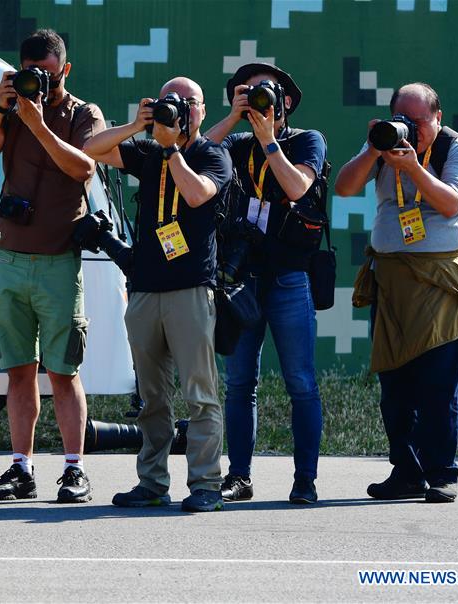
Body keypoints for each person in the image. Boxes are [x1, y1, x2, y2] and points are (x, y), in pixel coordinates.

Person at [84, 77, 233, 512]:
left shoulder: (212, 154)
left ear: (201, 111)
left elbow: (197, 193)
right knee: (151, 397)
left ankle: (206, 484)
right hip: (146, 289)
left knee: (200, 394)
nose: (180, 110)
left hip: (190, 289)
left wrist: (171, 149)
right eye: (173, 102)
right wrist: (136, 125)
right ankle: (152, 482)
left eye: (188, 103)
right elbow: (93, 149)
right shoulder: (147, 151)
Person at [0, 29, 106, 504]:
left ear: (64, 70)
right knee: (19, 372)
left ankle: (74, 469)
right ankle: (20, 467)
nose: (42, 84)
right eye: (33, 75)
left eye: (49, 75)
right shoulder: (12, 110)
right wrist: (2, 109)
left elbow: (84, 168)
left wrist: (39, 121)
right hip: (9, 258)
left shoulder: (83, 114)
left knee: (64, 372)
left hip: (57, 262)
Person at [334, 82, 458, 503]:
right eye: (402, 118)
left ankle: (441, 472)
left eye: (417, 121)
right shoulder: (384, 148)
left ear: (437, 117)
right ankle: (406, 471)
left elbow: (452, 204)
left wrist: (412, 167)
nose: (410, 129)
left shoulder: (457, 151)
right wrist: (372, 148)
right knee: (395, 387)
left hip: (440, 279)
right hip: (391, 279)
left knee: (438, 385)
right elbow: (344, 188)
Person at [204, 62, 326, 504]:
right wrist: (235, 118)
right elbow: (198, 149)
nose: (256, 101)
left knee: (300, 381)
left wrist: (268, 140)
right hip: (243, 280)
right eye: (246, 93)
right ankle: (239, 476)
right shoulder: (235, 143)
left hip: (290, 278)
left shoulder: (305, 141)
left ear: (285, 102)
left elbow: (296, 189)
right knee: (239, 383)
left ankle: (305, 480)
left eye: (263, 94)